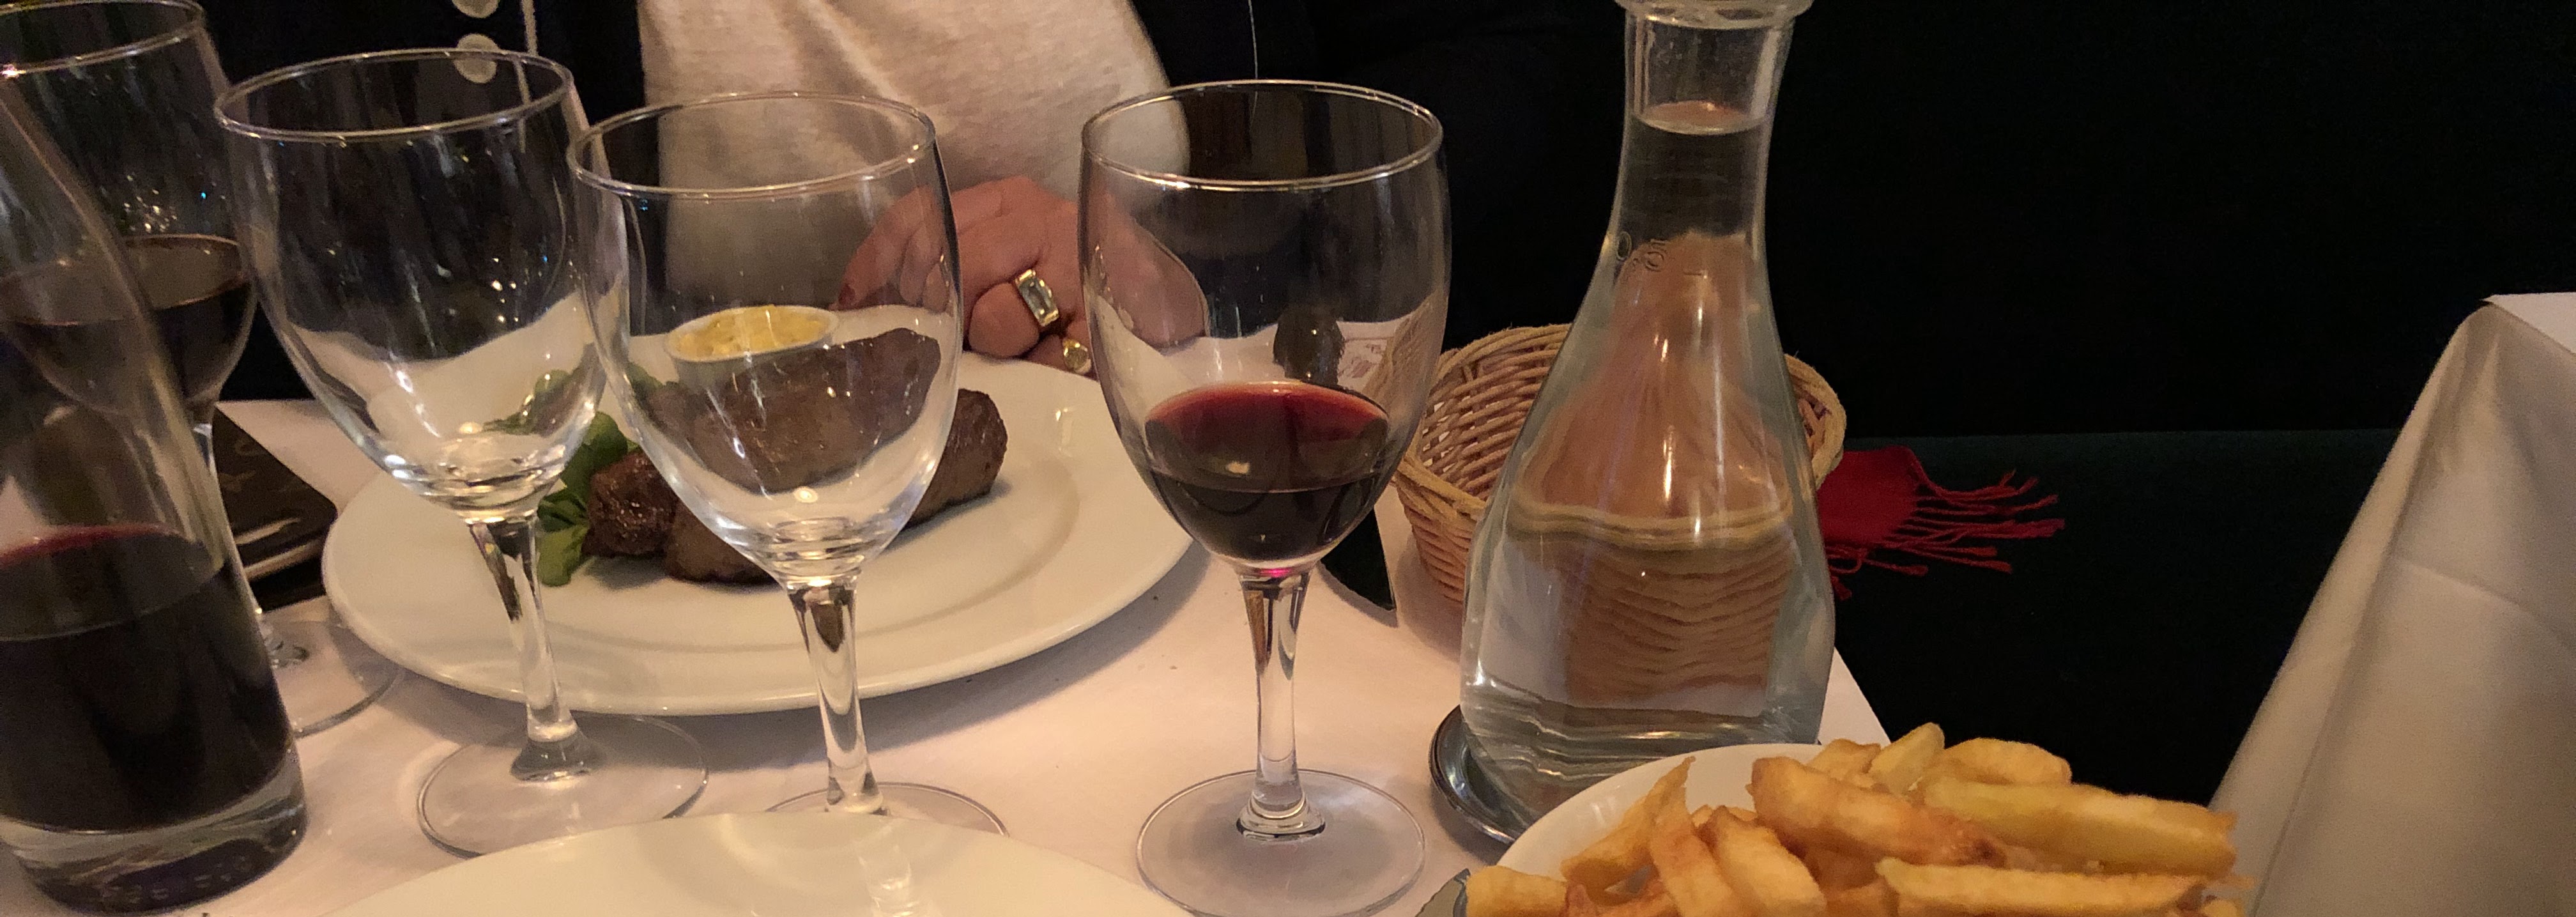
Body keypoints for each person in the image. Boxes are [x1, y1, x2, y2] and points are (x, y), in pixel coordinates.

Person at [204, 0, 1620, 398]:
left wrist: (1201, 243)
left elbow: (1522, 52)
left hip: (1182, 512)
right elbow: (306, 269)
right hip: (630, 615)